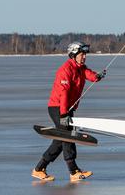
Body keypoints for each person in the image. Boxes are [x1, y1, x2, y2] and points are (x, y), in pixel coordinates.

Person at [31, 41, 105, 182]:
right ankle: (73, 171)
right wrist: (64, 115)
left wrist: (97, 77)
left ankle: (39, 169)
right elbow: (63, 94)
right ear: (73, 55)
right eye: (82, 54)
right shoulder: (65, 70)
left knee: (60, 139)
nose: (84, 57)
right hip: (57, 108)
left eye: (85, 55)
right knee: (68, 137)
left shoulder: (80, 68)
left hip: (66, 108)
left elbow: (89, 75)